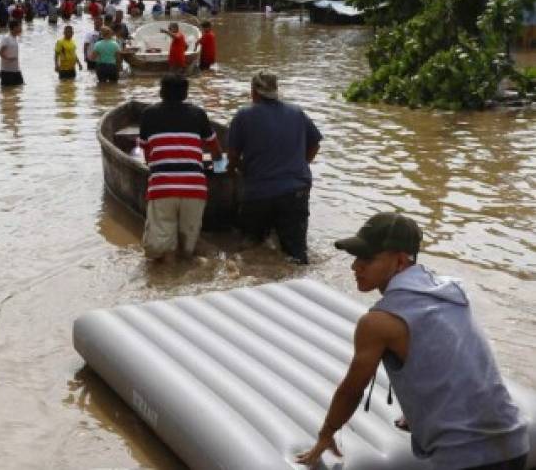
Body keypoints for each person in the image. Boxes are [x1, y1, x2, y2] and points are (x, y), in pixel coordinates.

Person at [297, 212, 530, 470]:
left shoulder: (378, 323)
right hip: (515, 441)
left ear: (399, 260)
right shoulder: (452, 291)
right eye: (355, 258)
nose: (355, 267)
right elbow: (446, 358)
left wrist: (326, 434)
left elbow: (352, 390)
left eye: (367, 258)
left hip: (465, 458)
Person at [227, 71, 322, 264]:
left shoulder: (244, 115)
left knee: (251, 249)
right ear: (275, 91)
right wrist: (301, 165)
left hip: (259, 193)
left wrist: (233, 172)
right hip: (296, 191)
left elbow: (233, 156)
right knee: (296, 253)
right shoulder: (297, 112)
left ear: (254, 92)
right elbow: (315, 144)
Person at [137, 74, 222, 261]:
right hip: (195, 189)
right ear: (185, 93)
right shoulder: (198, 114)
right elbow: (216, 151)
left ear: (161, 92)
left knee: (161, 250)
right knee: (187, 249)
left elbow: (148, 157)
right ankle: (183, 274)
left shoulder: (149, 114)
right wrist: (215, 163)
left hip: (162, 189)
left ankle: (167, 281)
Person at [0, 19, 24, 86]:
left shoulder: (15, 38)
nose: (21, 28)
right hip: (7, 72)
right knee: (7, 92)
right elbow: (1, 53)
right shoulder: (6, 38)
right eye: (19, 27)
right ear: (15, 28)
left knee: (20, 89)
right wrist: (9, 59)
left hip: (16, 70)